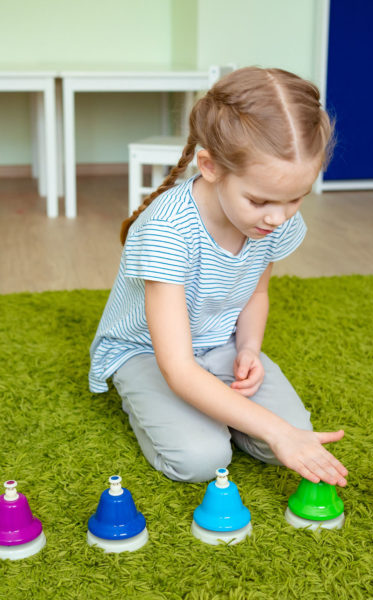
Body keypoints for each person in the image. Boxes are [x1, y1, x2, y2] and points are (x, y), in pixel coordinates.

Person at [89, 67, 347, 487]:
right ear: (209, 166)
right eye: (259, 200)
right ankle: (151, 402)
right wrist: (275, 430)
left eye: (295, 198)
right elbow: (178, 368)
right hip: (150, 354)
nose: (277, 218)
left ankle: (225, 412)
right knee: (202, 459)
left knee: (289, 440)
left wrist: (249, 347)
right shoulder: (167, 231)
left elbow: (256, 292)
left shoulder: (272, 222)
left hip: (218, 341)